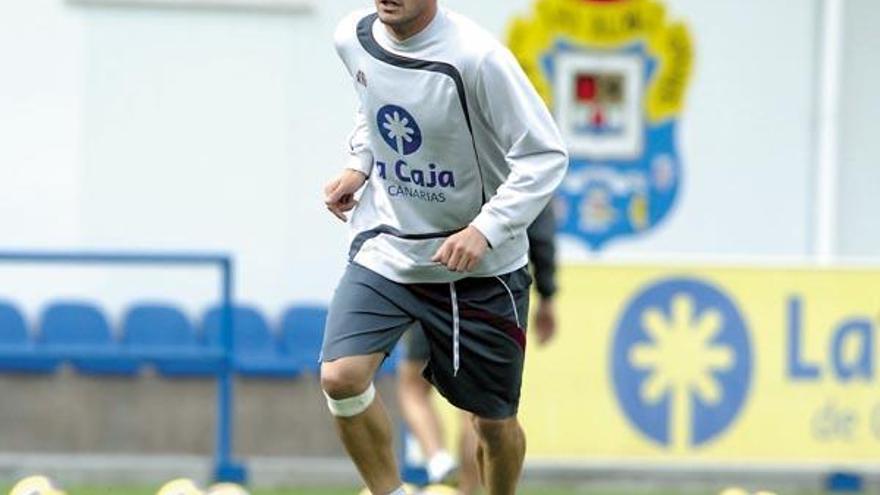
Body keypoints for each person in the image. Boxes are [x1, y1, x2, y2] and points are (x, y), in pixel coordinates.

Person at [320, 0, 568, 494]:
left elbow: (545, 155)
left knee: (492, 425)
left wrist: (486, 228)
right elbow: (374, 108)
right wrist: (360, 163)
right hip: (388, 249)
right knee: (341, 377)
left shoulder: (479, 59)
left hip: (481, 269)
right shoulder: (352, 37)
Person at [397, 204, 559, 492]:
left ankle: (437, 459)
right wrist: (547, 296)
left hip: (434, 279)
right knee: (477, 412)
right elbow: (541, 236)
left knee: (412, 387)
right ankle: (466, 488)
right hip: (490, 292)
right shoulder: (526, 170)